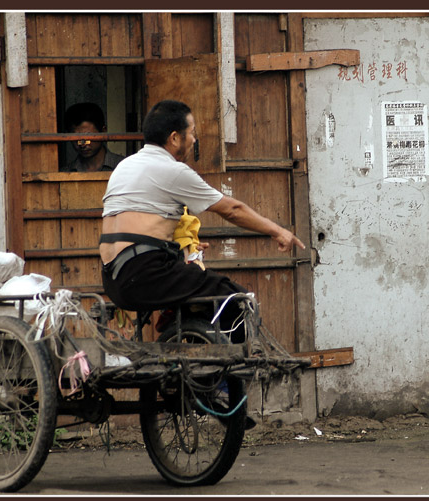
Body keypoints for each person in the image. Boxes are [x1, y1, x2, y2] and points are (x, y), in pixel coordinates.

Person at [99, 99, 305, 342]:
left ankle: (191, 341)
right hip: (144, 274)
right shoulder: (172, 170)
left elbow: (143, 226)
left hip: (113, 278)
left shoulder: (125, 166)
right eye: (192, 133)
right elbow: (232, 209)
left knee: (198, 283)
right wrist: (278, 231)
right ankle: (230, 375)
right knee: (233, 297)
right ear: (175, 138)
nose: (194, 140)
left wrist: (182, 248)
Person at [62, 102, 125, 172]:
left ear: (103, 131)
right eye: (76, 137)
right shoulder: (66, 173)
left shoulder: (124, 167)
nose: (83, 144)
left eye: (88, 135)